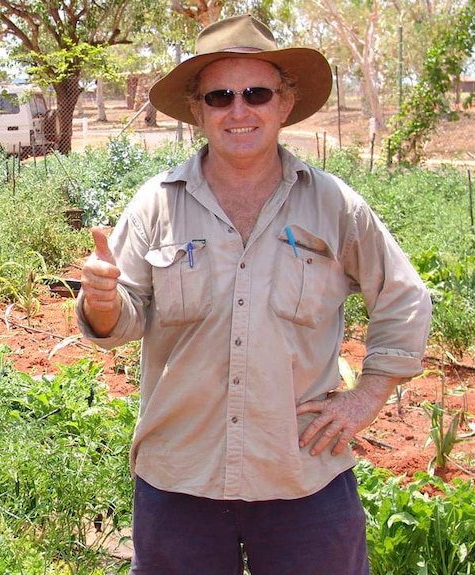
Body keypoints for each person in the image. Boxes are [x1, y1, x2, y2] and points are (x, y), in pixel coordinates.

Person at [76, 14, 431, 575]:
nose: (238, 110)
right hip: (180, 480)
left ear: (284, 105)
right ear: (198, 111)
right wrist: (101, 302)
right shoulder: (155, 205)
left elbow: (405, 298)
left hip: (304, 479)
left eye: (256, 93)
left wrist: (366, 399)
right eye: (219, 97)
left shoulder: (334, 206)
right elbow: (124, 316)